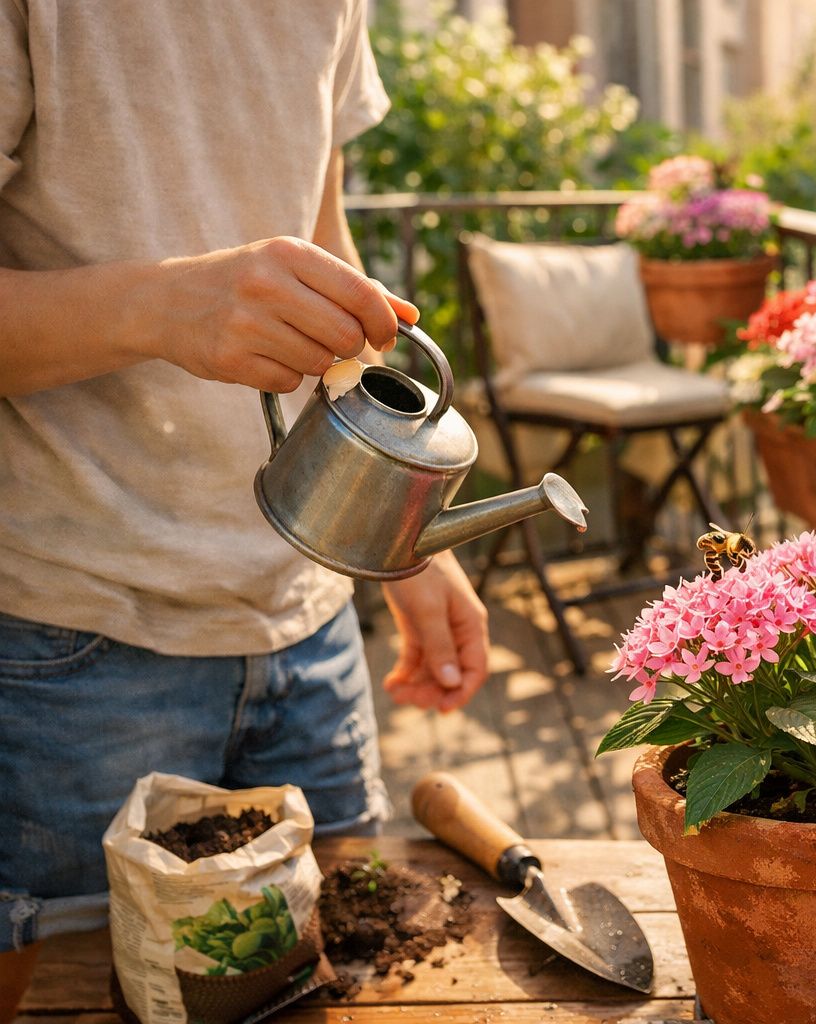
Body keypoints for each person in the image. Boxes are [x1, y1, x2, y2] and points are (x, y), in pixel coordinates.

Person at [0, 2, 490, 1011]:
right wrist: (161, 305)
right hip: (73, 649)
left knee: (343, 987)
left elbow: (322, 237)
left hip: (308, 633)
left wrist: (403, 535)